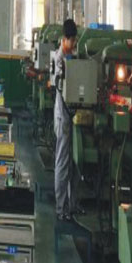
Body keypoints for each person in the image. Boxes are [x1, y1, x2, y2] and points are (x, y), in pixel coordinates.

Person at [54, 18, 81, 221]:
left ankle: (73, 204)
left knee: (74, 163)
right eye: (71, 41)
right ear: (65, 39)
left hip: (72, 116)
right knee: (63, 163)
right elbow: (62, 87)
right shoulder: (59, 58)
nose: (73, 44)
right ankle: (60, 208)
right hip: (63, 116)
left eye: (75, 41)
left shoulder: (72, 55)